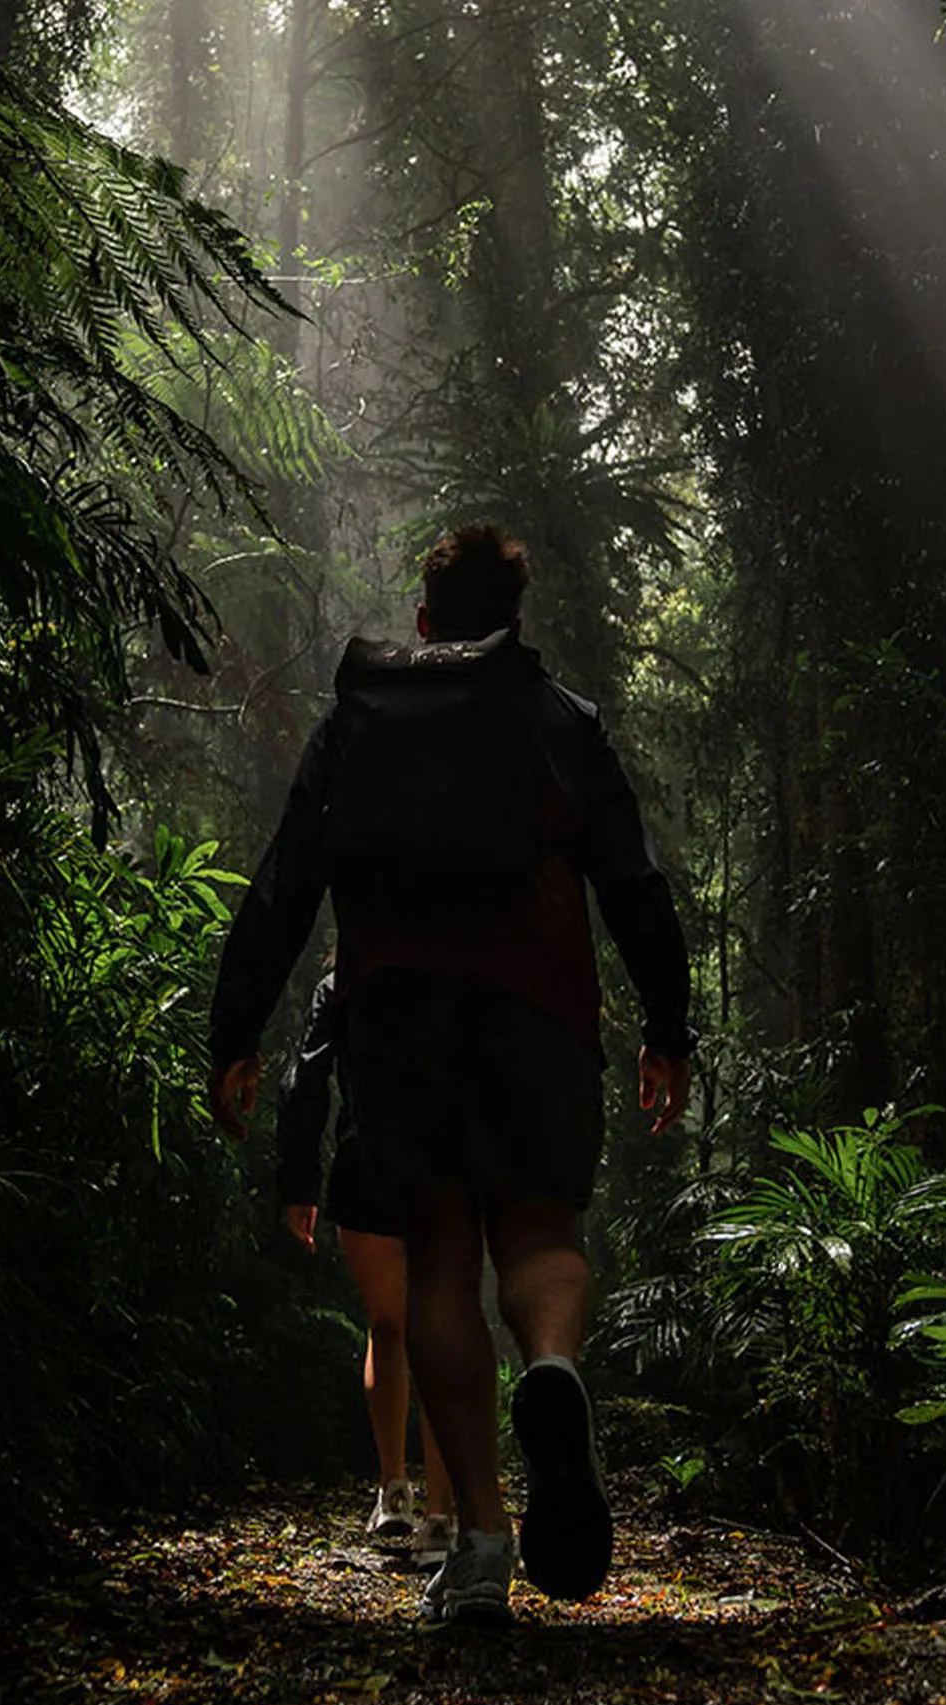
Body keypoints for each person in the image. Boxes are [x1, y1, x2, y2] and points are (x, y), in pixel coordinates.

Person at [206, 523, 693, 1627]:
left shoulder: (360, 724)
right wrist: (670, 1027)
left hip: (399, 1015)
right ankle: (555, 1372)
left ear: (425, 622)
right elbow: (634, 879)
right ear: (513, 624)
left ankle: (479, 1548)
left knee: (438, 1258)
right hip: (538, 1009)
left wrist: (236, 1029)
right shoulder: (559, 719)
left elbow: (287, 879)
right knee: (539, 1237)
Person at [275, 968, 457, 1560]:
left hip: (365, 1169)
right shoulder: (460, 968)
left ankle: (393, 1492)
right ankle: (440, 1518)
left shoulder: (345, 980)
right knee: (440, 1337)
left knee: (386, 1326)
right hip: (446, 1172)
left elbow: (306, 1076)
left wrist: (299, 1181)